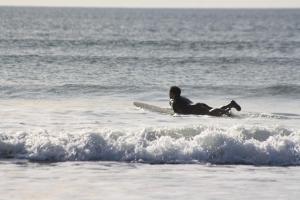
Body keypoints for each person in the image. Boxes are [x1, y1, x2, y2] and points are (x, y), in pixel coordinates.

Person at [169, 86, 241, 117]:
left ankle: (226, 112)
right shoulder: (182, 98)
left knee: (210, 113)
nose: (169, 94)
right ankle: (230, 104)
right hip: (198, 105)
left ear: (173, 93)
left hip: (196, 109)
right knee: (213, 110)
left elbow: (176, 113)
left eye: (170, 92)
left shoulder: (176, 102)